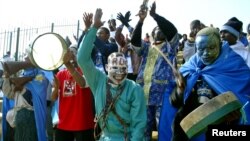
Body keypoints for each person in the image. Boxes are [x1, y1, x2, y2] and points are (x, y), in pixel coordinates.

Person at [77, 9, 147, 141]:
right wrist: (93, 28)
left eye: (123, 68)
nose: (119, 72)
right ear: (107, 68)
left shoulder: (134, 89)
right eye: (115, 68)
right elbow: (82, 59)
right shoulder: (98, 81)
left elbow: (139, 125)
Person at [170, 27, 250, 141]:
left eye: (211, 47)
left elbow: (245, 101)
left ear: (220, 44)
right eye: (201, 49)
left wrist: (234, 117)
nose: (206, 53)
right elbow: (175, 103)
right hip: (186, 131)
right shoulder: (190, 67)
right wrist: (180, 90)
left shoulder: (235, 65)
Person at [130, 2, 179, 140]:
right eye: (158, 28)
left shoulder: (170, 47)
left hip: (163, 95)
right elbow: (134, 42)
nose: (161, 30)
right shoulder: (147, 47)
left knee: (163, 127)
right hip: (144, 95)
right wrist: (140, 21)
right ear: (153, 33)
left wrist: (155, 16)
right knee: (144, 128)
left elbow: (172, 31)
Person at [1, 57, 54, 141]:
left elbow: (40, 82)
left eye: (28, 58)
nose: (25, 58)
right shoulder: (21, 76)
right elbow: (9, 93)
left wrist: (24, 81)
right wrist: (7, 77)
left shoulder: (41, 75)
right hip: (19, 117)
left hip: (32, 117)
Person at [51, 44, 95, 141]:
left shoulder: (86, 71)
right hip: (64, 124)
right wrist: (56, 87)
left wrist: (68, 64)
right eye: (68, 52)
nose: (71, 55)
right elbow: (53, 98)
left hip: (83, 124)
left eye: (73, 52)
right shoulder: (60, 74)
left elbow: (82, 83)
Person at [115, 11, 142, 82]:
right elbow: (116, 35)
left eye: (131, 35)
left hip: (135, 73)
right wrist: (123, 23)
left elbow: (136, 34)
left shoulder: (137, 46)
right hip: (124, 73)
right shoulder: (123, 45)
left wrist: (126, 23)